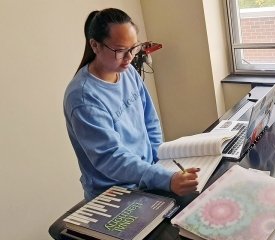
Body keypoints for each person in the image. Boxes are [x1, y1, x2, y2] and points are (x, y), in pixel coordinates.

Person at [64, 8, 199, 201]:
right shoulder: (83, 98)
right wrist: (165, 179)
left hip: (147, 178)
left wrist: (159, 162)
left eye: (133, 48)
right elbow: (111, 158)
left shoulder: (127, 71)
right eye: (120, 50)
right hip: (115, 194)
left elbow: (149, 120)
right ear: (95, 45)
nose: (129, 57)